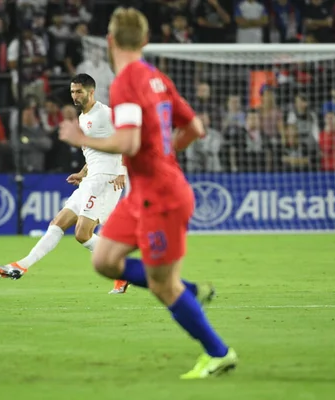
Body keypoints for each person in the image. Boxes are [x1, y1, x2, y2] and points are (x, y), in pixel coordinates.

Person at [58, 7, 237, 379]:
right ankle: (188, 289)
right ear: (145, 41)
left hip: (163, 196)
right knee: (104, 259)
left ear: (109, 42)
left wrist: (82, 139)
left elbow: (129, 139)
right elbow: (196, 128)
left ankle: (218, 352)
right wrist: (164, 157)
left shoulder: (126, 82)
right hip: (145, 192)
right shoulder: (157, 77)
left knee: (161, 287)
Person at [0, 74, 130, 294]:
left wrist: (123, 171)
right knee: (57, 222)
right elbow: (94, 152)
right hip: (91, 178)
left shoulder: (105, 114)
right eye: (72, 92)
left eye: (79, 92)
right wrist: (82, 172)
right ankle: (21, 266)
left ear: (91, 92)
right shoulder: (83, 117)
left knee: (82, 234)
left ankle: (122, 269)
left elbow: (129, 139)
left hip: (107, 179)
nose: (75, 96)